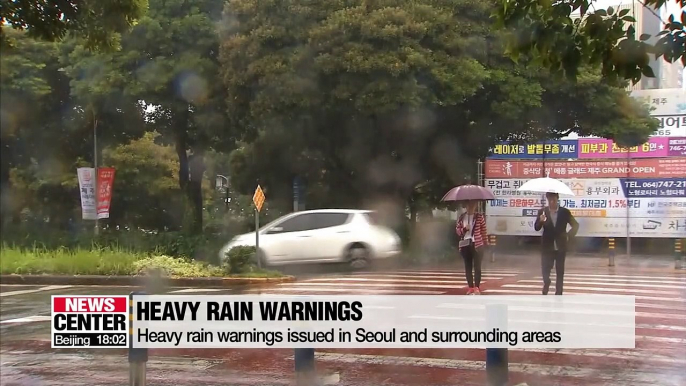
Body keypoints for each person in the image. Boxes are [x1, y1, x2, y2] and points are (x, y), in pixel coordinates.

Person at [534, 192, 579, 295]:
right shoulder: (542, 212)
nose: (552, 202)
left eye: (554, 199)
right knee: (545, 268)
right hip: (547, 246)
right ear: (547, 199)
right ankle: (547, 282)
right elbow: (536, 228)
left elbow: (575, 225)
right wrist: (541, 221)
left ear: (557, 199)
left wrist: (568, 236)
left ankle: (559, 291)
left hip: (560, 245)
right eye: (550, 200)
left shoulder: (564, 212)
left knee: (560, 270)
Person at [456, 200, 488, 295]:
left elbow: (483, 230)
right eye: (469, 205)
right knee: (468, 267)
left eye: (473, 205)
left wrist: (485, 243)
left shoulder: (479, 217)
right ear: (466, 206)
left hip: (477, 244)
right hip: (465, 244)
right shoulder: (462, 217)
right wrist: (465, 229)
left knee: (477, 267)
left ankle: (477, 287)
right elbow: (458, 231)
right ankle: (470, 287)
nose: (471, 206)